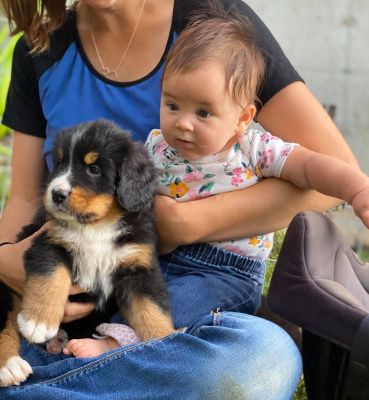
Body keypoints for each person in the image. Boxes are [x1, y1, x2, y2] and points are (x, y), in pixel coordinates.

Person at [0, 0, 359, 398]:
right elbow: (23, 197)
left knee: (261, 357)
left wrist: (187, 224)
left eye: (202, 113)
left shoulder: (212, 21)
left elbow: (330, 176)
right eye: (171, 105)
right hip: (65, 300)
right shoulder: (41, 47)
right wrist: (5, 260)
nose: (184, 122)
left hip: (184, 292)